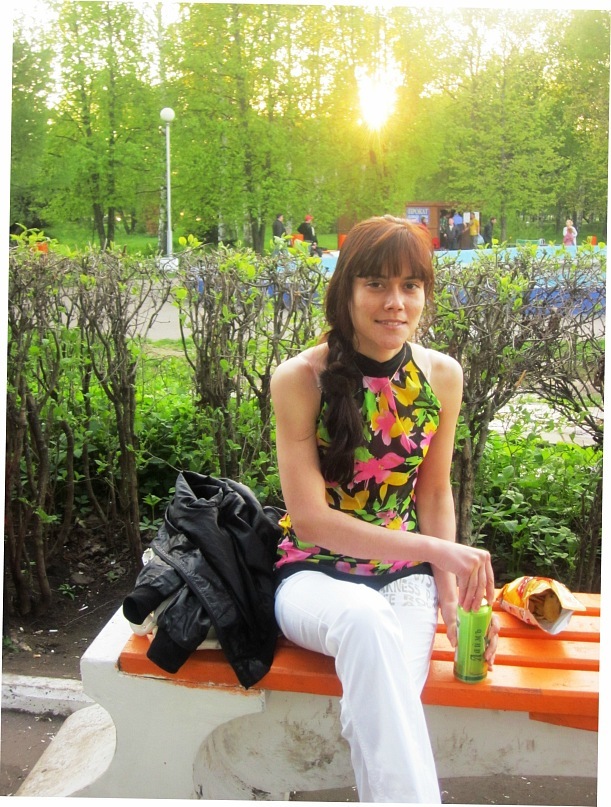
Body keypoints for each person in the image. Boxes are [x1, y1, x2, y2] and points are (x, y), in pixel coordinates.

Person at [271, 215, 499, 804]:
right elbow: (311, 519)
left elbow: (434, 493)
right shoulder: (300, 379)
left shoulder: (440, 376)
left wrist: (449, 599)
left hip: (405, 583)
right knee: (366, 624)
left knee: (379, 703)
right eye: (376, 284)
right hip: (312, 575)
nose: (396, 302)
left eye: (410, 286)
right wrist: (438, 552)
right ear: (346, 290)